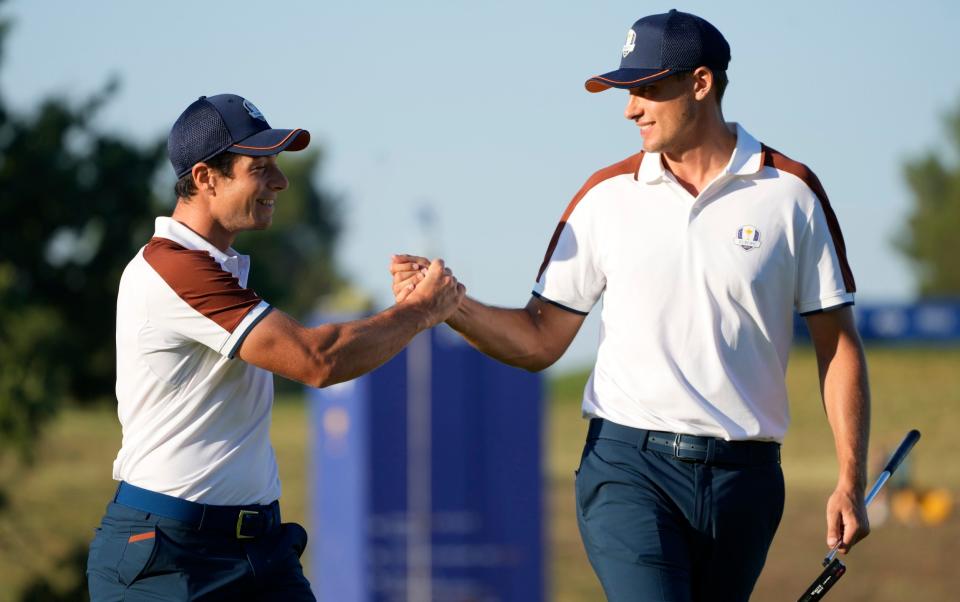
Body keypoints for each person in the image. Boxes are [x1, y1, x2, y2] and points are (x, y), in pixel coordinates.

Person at [390, 9, 870, 601]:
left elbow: (839, 344)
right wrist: (451, 306)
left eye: (646, 89)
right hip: (628, 467)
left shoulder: (791, 192)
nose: (630, 108)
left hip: (747, 480)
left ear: (701, 83)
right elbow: (541, 339)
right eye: (627, 92)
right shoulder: (603, 196)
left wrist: (851, 477)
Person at [86, 93, 464, 601]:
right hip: (170, 558)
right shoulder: (173, 269)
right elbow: (317, 360)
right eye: (259, 168)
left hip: (256, 549)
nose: (280, 182)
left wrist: (415, 312)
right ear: (204, 177)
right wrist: (419, 311)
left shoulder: (219, 266)